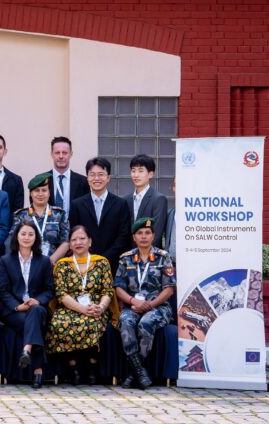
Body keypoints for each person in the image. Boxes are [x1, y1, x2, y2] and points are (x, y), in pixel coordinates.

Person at [46, 225, 118, 385]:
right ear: (69, 244)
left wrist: (101, 307)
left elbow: (108, 290)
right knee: (60, 323)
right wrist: (82, 309)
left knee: (93, 322)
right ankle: (73, 369)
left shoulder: (101, 262)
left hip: (96, 307)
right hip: (70, 307)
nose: (78, 242)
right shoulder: (62, 264)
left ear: (90, 242)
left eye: (82, 239)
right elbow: (61, 294)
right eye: (74, 240)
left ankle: (92, 367)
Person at [114, 217, 176, 389]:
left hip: (158, 307)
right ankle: (140, 372)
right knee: (125, 321)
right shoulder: (126, 258)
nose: (143, 236)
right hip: (133, 305)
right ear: (134, 237)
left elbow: (169, 289)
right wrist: (133, 301)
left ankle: (133, 373)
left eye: (147, 233)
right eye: (140, 233)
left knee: (146, 323)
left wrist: (150, 305)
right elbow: (118, 288)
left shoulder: (163, 257)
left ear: (153, 236)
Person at [0, 221, 55, 389]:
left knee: (35, 311)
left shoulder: (44, 261)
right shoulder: (6, 260)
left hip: (37, 307)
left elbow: (50, 290)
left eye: (31, 234)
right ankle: (37, 370)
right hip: (14, 311)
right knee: (34, 322)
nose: (27, 237)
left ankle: (27, 350)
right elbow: (3, 290)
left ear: (36, 237)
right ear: (17, 236)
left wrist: (38, 300)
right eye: (23, 234)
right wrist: (17, 306)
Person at [70, 157, 132, 273]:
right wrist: (90, 257)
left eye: (101, 174)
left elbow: (124, 236)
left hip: (113, 264)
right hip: (83, 264)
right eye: (92, 175)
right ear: (87, 178)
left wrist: (104, 258)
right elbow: (73, 234)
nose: (96, 178)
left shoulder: (120, 204)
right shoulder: (76, 204)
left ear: (108, 178)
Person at [11, 172, 70, 263]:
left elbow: (65, 242)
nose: (40, 194)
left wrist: (50, 261)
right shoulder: (20, 215)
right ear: (31, 194)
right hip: (27, 263)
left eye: (44, 190)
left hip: (53, 263)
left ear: (49, 193)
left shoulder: (60, 214)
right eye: (36, 190)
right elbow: (14, 240)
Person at [123, 154, 169, 249]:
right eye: (133, 171)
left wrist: (142, 254)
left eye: (140, 171)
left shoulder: (158, 199)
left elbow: (157, 233)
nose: (136, 175)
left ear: (150, 174)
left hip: (150, 254)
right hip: (128, 254)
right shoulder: (125, 200)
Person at [47, 136, 88, 211]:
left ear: (71, 154)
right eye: (57, 153)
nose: (61, 156)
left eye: (65, 153)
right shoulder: (42, 180)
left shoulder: (83, 182)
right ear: (52, 154)